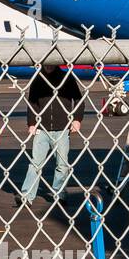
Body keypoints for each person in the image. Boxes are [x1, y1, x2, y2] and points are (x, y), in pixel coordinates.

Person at [17, 62, 84, 207]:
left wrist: (77, 119)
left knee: (62, 164)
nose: (47, 66)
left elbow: (79, 100)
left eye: (50, 63)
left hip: (62, 128)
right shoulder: (38, 79)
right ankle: (26, 196)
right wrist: (31, 123)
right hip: (42, 128)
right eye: (45, 64)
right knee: (36, 163)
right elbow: (32, 104)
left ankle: (59, 194)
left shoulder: (67, 77)